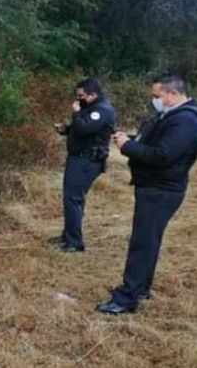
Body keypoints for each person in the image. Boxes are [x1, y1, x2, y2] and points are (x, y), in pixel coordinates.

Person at [97, 74, 197, 314]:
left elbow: (163, 155)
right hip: (154, 186)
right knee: (149, 240)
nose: (154, 100)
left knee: (142, 242)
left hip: (161, 189)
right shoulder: (171, 115)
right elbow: (153, 143)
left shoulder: (185, 121)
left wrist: (128, 147)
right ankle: (140, 287)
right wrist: (129, 140)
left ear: (172, 94)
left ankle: (125, 298)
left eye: (157, 96)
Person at [51, 78, 116, 253]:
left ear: (93, 94)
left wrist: (76, 113)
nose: (78, 99)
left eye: (81, 96)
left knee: (73, 198)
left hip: (87, 160)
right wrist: (66, 129)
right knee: (71, 198)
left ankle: (74, 242)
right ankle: (68, 235)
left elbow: (85, 128)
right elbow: (80, 129)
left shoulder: (102, 110)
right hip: (79, 158)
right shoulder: (91, 108)